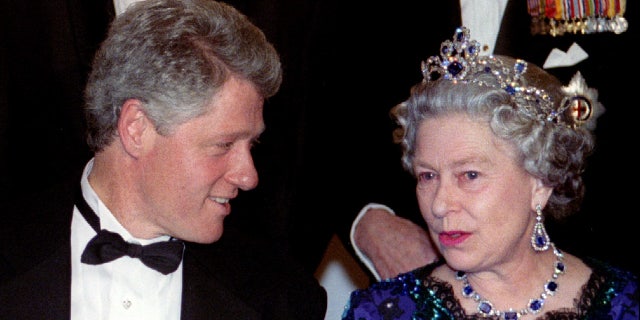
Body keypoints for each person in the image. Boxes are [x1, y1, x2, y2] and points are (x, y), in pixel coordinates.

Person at [0, 0, 327, 318]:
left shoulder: (284, 299)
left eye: (251, 144)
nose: (249, 176)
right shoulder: (12, 254)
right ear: (136, 128)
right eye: (224, 145)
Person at [342, 27, 639, 319]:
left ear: (541, 181)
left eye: (469, 175)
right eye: (427, 176)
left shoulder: (625, 305)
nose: (439, 205)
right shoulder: (381, 311)